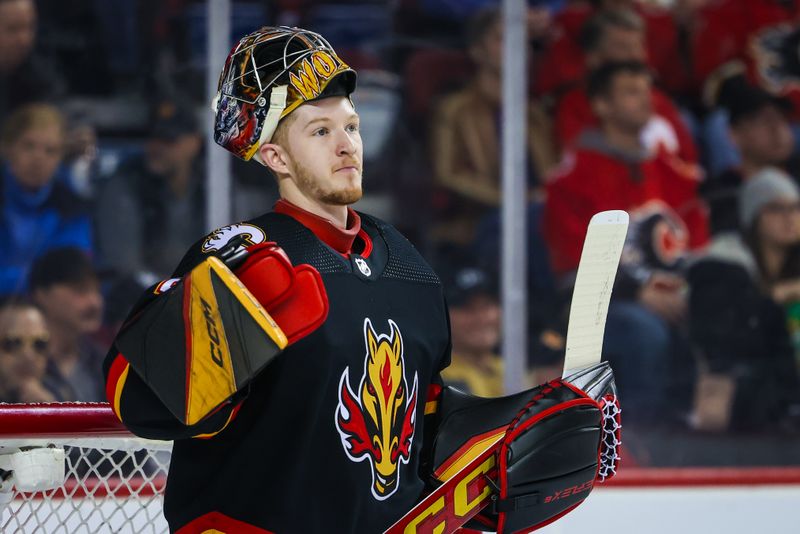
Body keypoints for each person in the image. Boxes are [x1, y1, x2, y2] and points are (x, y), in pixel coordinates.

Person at [103, 26, 620, 533]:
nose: (347, 145)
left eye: (350, 126)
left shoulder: (408, 267)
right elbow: (138, 401)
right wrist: (222, 330)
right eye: (320, 131)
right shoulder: (240, 261)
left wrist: (530, 428)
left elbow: (424, 430)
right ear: (275, 156)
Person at [543, 60, 708, 425]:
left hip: (674, 294)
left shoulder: (672, 170)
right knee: (643, 331)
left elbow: (696, 246)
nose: (646, 100)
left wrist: (686, 291)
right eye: (631, 92)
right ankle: (642, 443)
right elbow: (574, 264)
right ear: (602, 105)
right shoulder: (573, 176)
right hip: (600, 306)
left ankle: (708, 431)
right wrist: (638, 293)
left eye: (647, 90)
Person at [429, 5, 557, 245]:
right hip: (481, 221)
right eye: (503, 39)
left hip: (541, 218)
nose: (517, 47)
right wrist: (516, 200)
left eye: (523, 40)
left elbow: (552, 173)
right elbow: (449, 174)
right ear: (478, 51)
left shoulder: (536, 114)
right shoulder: (455, 109)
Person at [689, 168, 800, 432]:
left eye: (795, 208)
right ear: (752, 216)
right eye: (775, 209)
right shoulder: (720, 266)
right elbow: (728, 339)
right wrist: (776, 299)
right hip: (734, 395)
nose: (789, 218)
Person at [553, 8, 698, 163]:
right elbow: (579, 161)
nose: (634, 55)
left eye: (638, 46)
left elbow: (687, 162)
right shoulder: (574, 105)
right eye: (622, 47)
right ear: (593, 57)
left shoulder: (658, 100)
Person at [95, 100, 205, 279]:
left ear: (194, 143)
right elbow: (126, 269)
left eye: (169, 140)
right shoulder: (125, 186)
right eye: (152, 138)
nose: (156, 147)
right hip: (146, 299)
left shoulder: (213, 189)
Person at [0, 103, 93, 297]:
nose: (38, 158)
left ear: (60, 157)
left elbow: (68, 274)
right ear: (7, 148)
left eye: (50, 151)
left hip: (45, 310)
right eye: (28, 146)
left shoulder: (72, 208)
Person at [700, 83, 795, 236]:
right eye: (763, 121)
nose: (777, 128)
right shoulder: (721, 196)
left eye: (782, 118)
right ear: (734, 134)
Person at [29, 247, 105, 402]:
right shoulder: (17, 362)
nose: (95, 302)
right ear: (42, 294)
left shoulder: (103, 362)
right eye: (80, 290)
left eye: (97, 290)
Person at [439, 262, 504, 397]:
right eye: (467, 308)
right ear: (442, 315)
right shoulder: (438, 378)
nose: (482, 318)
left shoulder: (509, 368)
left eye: (487, 306)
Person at [0, 299, 56, 403]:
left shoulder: (56, 393)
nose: (28, 356)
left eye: (39, 344)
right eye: (13, 343)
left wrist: (51, 413)